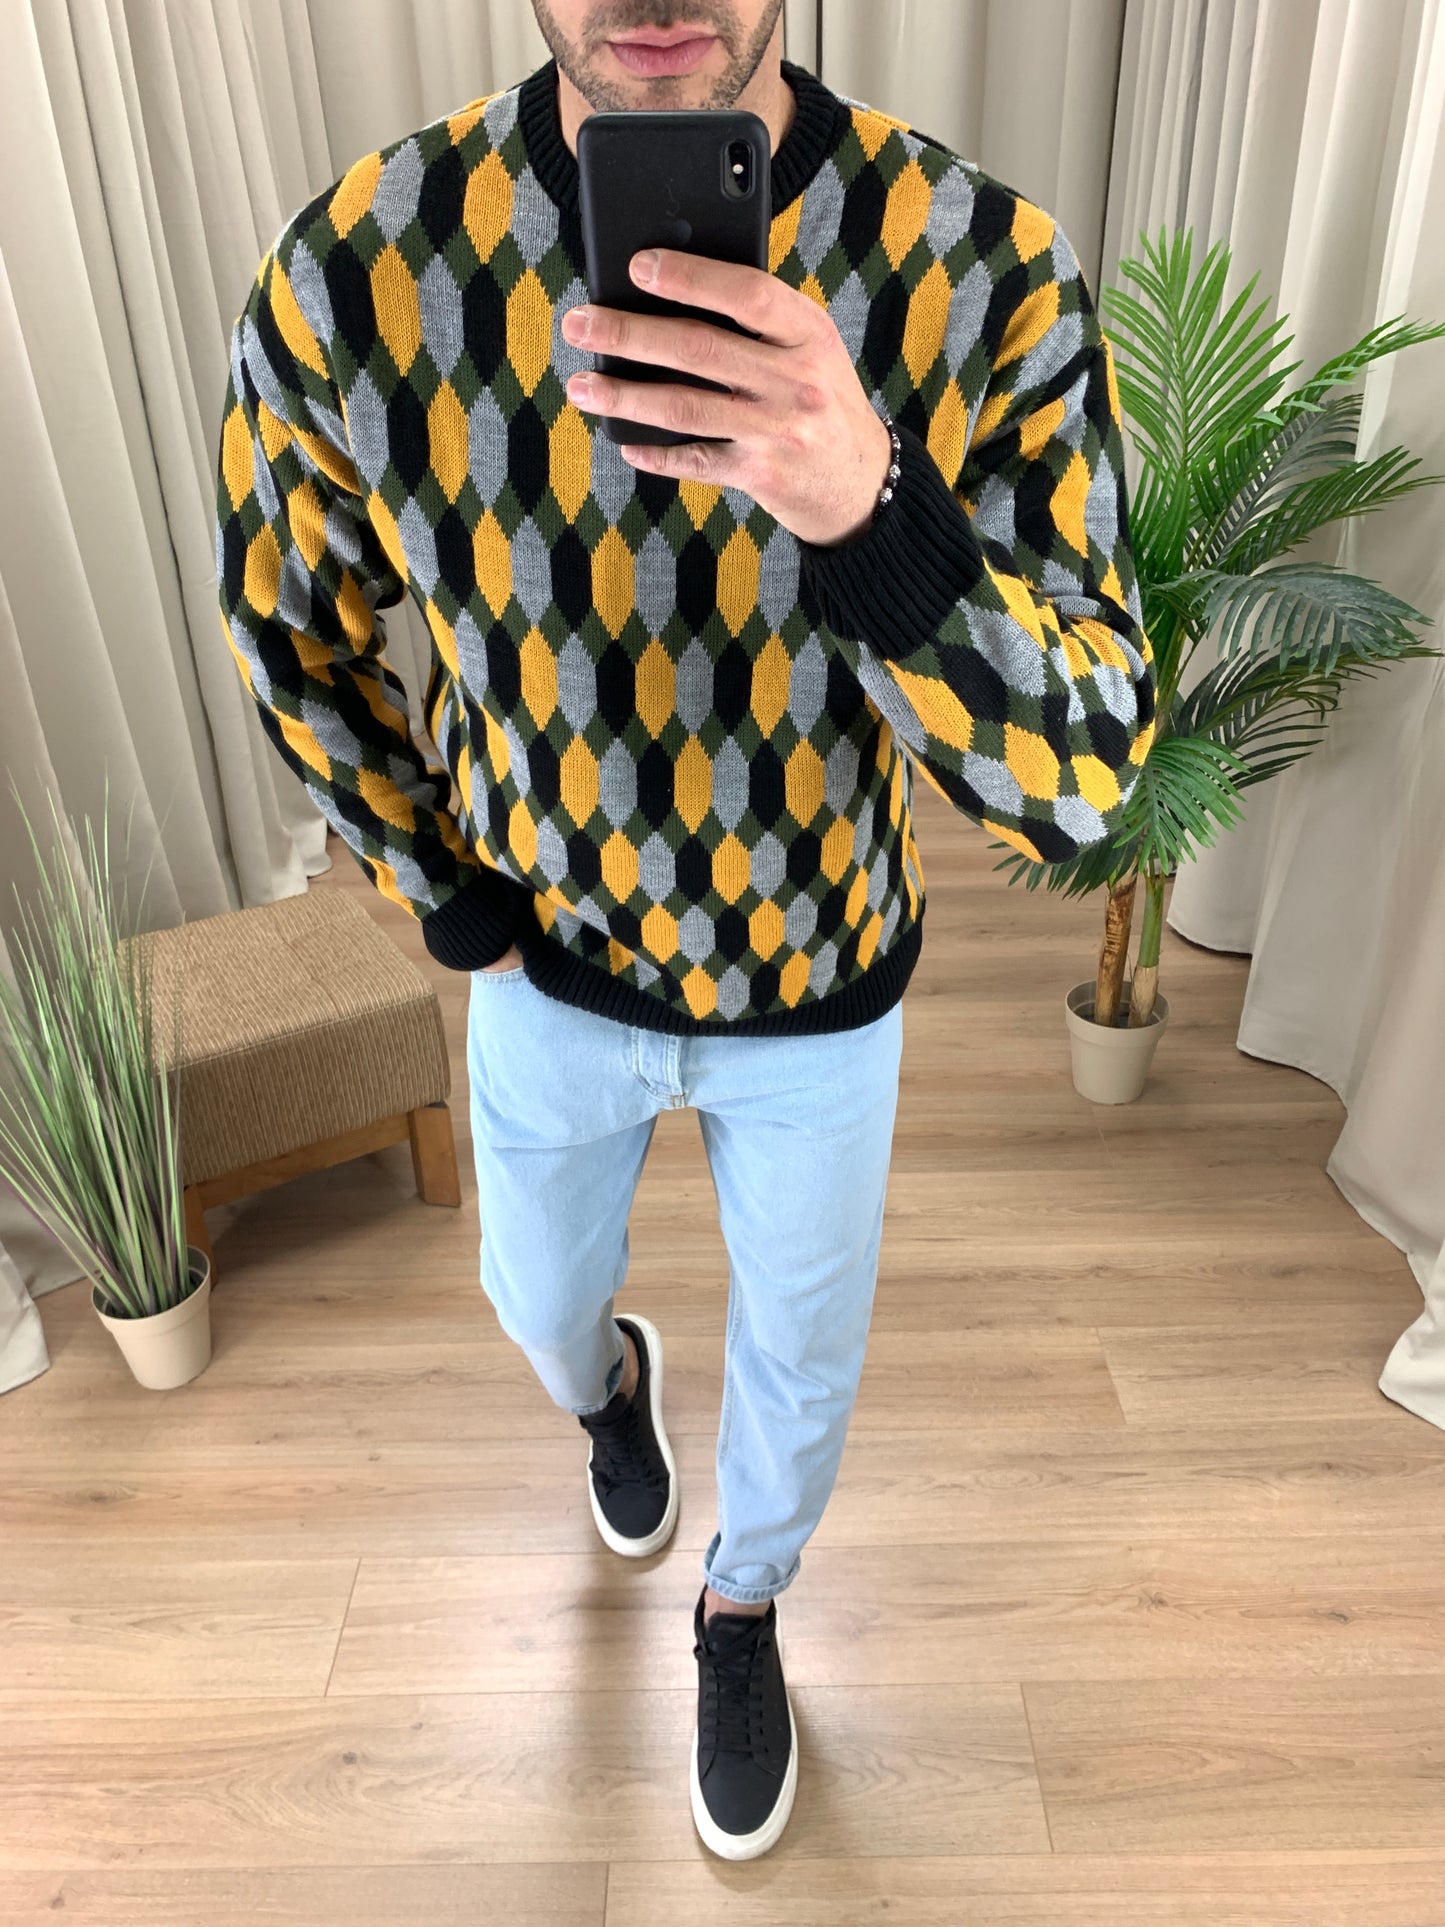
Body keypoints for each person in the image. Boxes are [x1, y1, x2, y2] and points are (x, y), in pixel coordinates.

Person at [214, 0, 1156, 1860]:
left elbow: (1086, 782)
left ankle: (743, 1607)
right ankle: (609, 1392)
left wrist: (870, 511)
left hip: (820, 985)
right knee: (533, 1305)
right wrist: (441, 886)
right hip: (544, 966)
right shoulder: (354, 270)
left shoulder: (982, 269)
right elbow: (285, 628)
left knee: (803, 1371)